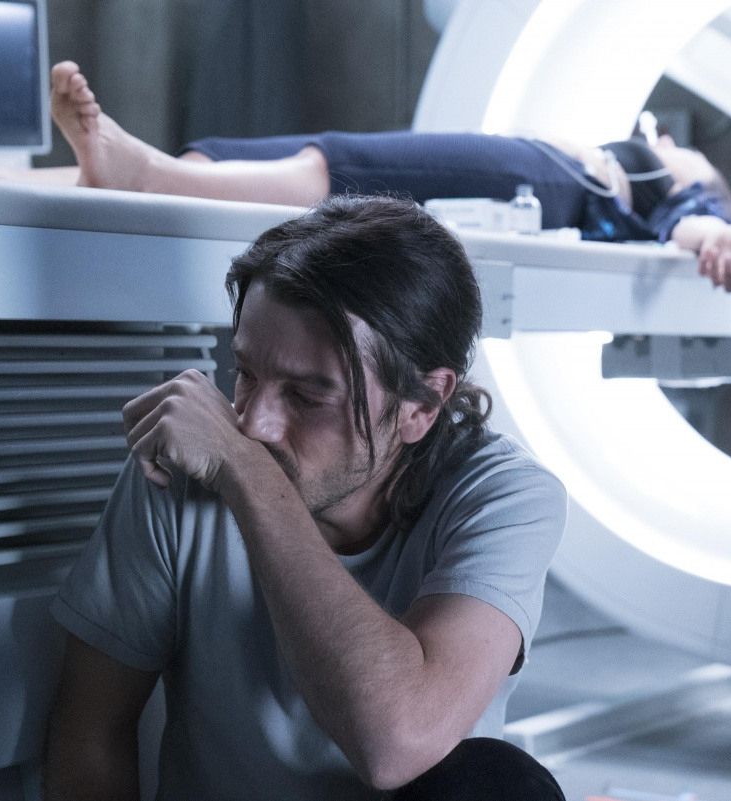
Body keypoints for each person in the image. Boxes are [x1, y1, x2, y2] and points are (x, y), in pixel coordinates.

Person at [43, 193, 569, 800]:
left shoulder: (505, 497)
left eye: (306, 396)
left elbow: (396, 742)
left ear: (422, 404)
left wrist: (248, 477)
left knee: (503, 785)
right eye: (245, 373)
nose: (253, 424)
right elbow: (91, 731)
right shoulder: (181, 470)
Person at [0, 62, 731, 293]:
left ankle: (140, 173)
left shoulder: (696, 182)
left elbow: (694, 219)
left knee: (335, 165)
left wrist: (717, 233)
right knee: (231, 166)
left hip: (545, 178)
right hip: (546, 171)